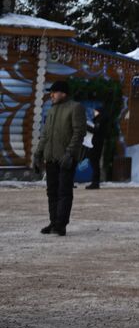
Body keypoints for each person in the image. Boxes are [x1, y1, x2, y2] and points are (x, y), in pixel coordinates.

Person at [32, 79, 85, 236]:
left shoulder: (75, 107)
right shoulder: (52, 110)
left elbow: (79, 133)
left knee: (64, 192)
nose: (51, 95)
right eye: (51, 93)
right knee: (52, 192)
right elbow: (45, 135)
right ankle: (54, 222)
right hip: (51, 158)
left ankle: (61, 225)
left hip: (66, 159)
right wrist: (37, 154)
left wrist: (70, 153)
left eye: (54, 92)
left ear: (63, 93)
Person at [84, 100, 113, 190]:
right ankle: (95, 182)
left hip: (96, 144)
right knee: (94, 162)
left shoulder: (101, 120)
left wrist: (86, 127)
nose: (94, 112)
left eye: (96, 111)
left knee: (95, 163)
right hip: (96, 143)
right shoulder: (100, 119)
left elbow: (96, 131)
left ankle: (95, 182)